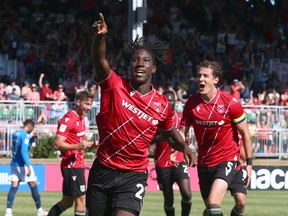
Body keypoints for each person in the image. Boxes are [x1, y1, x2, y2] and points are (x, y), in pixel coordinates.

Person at [86, 13, 195, 216]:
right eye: (135, 60)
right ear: (130, 65)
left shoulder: (162, 104)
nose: (140, 63)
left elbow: (170, 134)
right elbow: (98, 58)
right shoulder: (114, 86)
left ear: (153, 68)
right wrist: (99, 37)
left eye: (145, 60)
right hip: (103, 169)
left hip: (133, 175)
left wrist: (185, 147)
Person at [179, 60, 253, 216]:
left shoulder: (230, 103)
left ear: (215, 80)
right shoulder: (191, 104)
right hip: (204, 163)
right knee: (209, 210)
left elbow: (245, 132)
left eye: (206, 76)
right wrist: (177, 150)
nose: (201, 79)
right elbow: (182, 132)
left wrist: (250, 162)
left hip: (228, 159)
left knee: (226, 202)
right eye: (199, 76)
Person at [47, 91, 98, 216]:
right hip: (72, 166)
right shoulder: (68, 119)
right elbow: (57, 144)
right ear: (78, 102)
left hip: (77, 164)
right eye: (86, 104)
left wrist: (92, 144)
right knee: (81, 200)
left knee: (67, 202)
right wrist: (77, 146)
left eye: (90, 104)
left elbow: (78, 141)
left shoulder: (81, 119)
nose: (89, 107)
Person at [152, 90, 192, 216]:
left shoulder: (181, 117)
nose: (170, 102)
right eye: (167, 100)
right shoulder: (156, 119)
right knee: (169, 199)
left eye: (172, 100)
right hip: (162, 163)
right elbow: (149, 140)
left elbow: (184, 136)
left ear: (175, 102)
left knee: (187, 193)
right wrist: (162, 138)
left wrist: (186, 142)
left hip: (179, 161)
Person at [5, 119, 48, 216]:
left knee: (14, 186)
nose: (32, 130)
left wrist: (32, 139)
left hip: (14, 163)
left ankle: (8, 212)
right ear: (29, 127)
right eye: (32, 128)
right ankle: (40, 210)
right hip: (22, 165)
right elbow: (24, 152)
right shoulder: (24, 135)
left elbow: (21, 147)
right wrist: (28, 166)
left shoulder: (15, 133)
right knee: (33, 184)